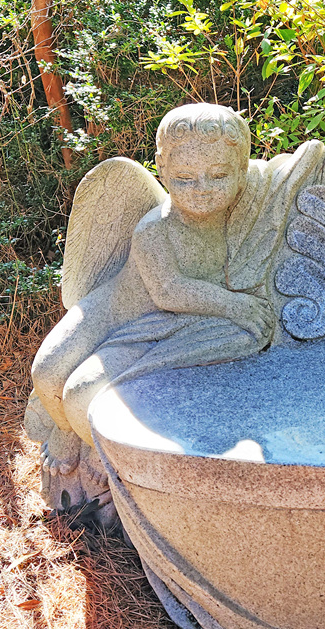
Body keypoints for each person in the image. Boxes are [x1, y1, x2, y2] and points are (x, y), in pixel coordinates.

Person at [31, 104, 280, 482]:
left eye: (217, 175)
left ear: (241, 171)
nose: (202, 189)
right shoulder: (155, 229)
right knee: (47, 372)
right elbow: (169, 291)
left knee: (82, 394)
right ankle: (66, 431)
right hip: (114, 311)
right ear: (162, 171)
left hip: (165, 327)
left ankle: (105, 452)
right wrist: (235, 305)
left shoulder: (243, 215)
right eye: (184, 178)